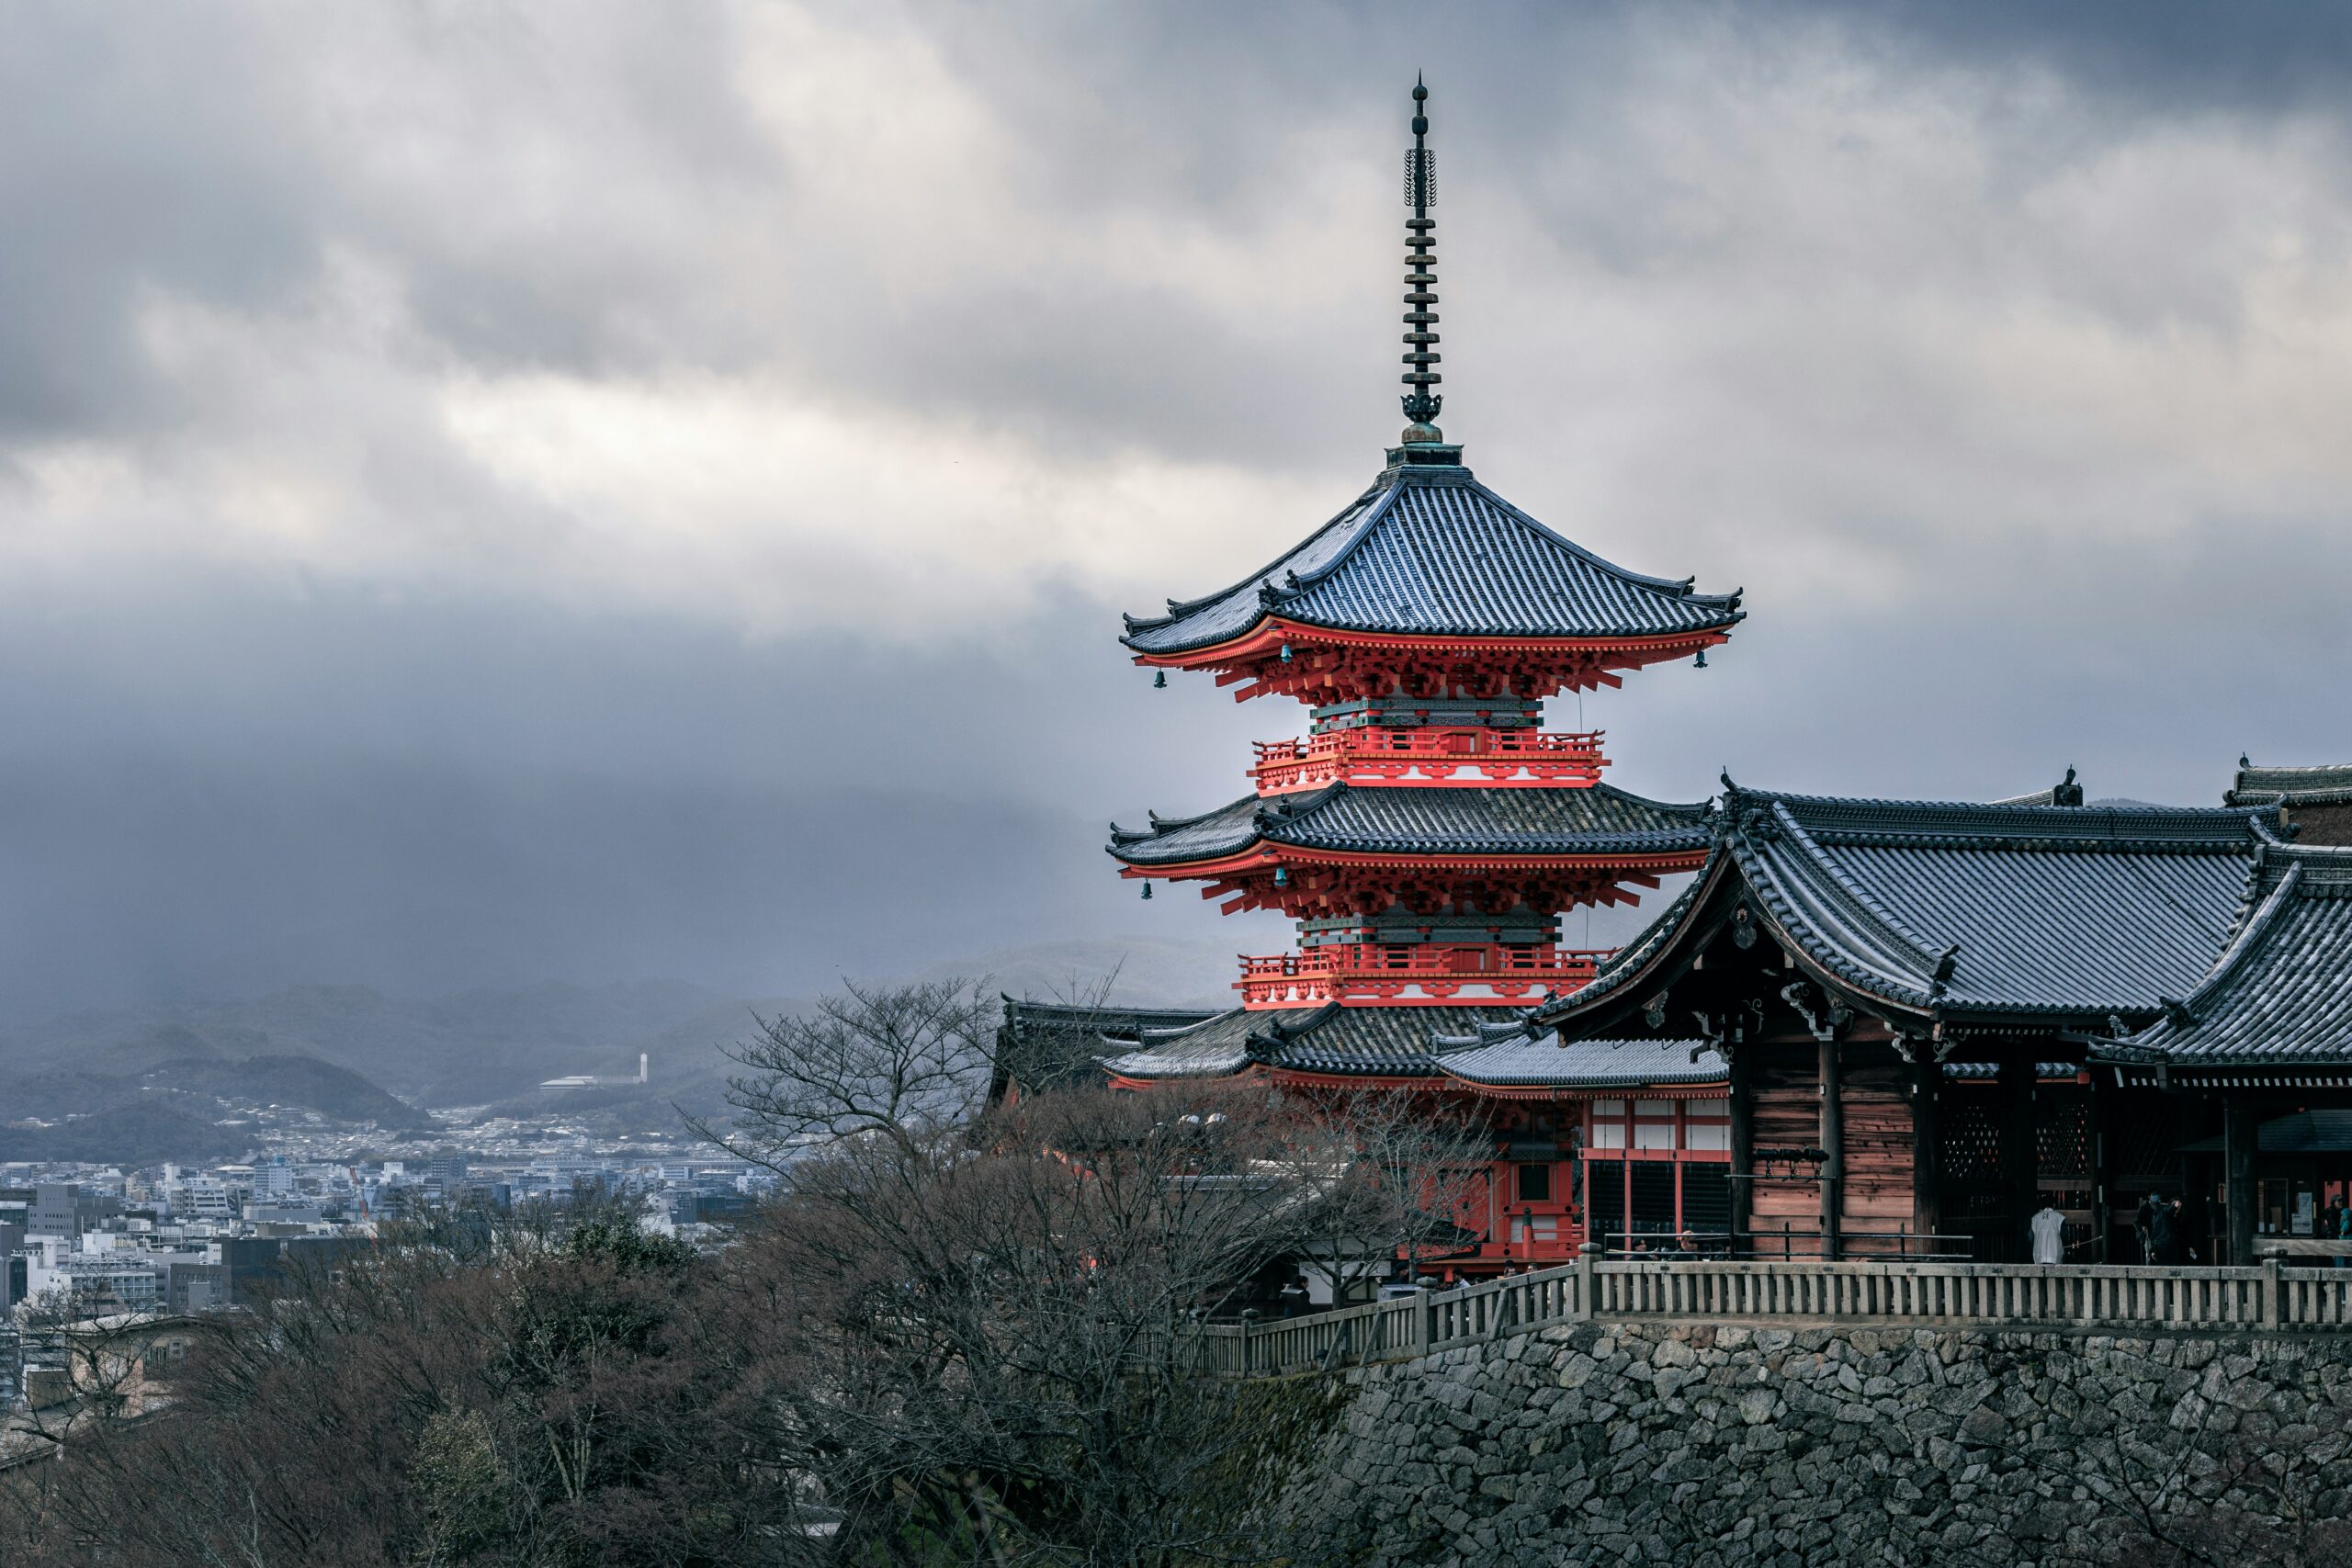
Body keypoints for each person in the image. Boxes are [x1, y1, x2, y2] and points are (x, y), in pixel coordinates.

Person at [2030, 1202, 2066, 1266]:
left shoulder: (2035, 1218)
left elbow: (2030, 1236)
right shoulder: (2060, 1217)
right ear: (2054, 1205)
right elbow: (2064, 1235)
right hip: (2055, 1255)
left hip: (2039, 1255)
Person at [2133, 1194, 2158, 1265]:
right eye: (2153, 1194)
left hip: (2158, 1236)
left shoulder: (2160, 1208)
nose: (2155, 1196)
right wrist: (2142, 1227)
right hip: (2146, 1236)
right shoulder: (2143, 1208)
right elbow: (2137, 1222)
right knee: (2147, 1255)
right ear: (2149, 1196)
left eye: (2156, 1194)